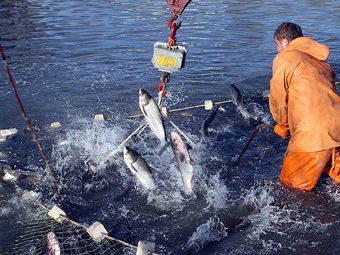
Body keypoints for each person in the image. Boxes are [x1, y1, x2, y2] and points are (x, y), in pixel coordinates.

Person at [269, 22, 340, 191]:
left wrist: (282, 123)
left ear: (285, 42)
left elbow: (278, 99)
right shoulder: (321, 62)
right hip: (337, 130)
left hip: (311, 138)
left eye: (277, 45)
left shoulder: (284, 58)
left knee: (290, 190)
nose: (277, 50)